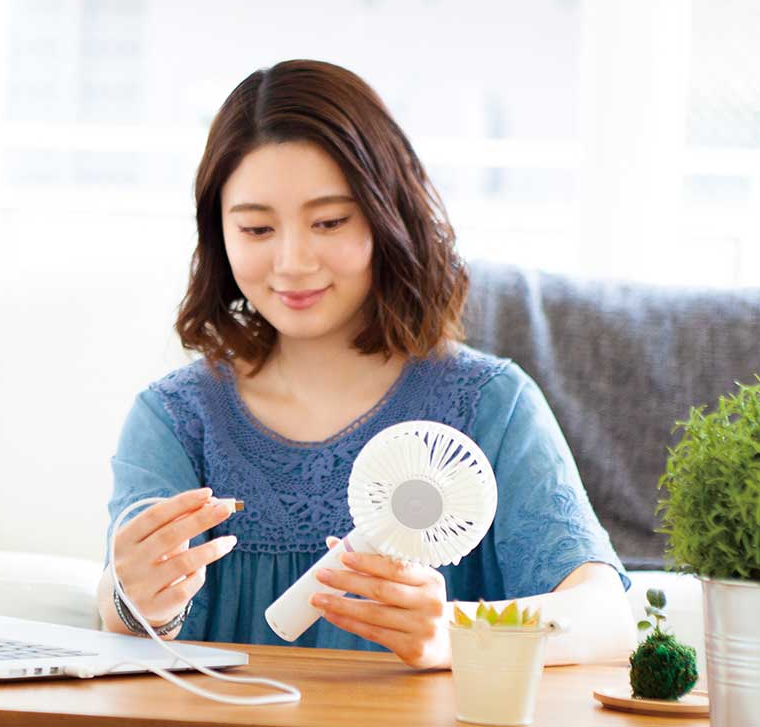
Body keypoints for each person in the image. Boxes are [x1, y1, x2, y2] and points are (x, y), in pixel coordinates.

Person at [96, 59, 635, 669]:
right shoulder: (175, 418)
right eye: (256, 228)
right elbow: (125, 615)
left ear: (388, 216)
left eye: (329, 222)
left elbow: (607, 618)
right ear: (219, 233)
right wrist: (136, 601)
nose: (293, 262)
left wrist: (456, 633)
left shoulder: (491, 405)